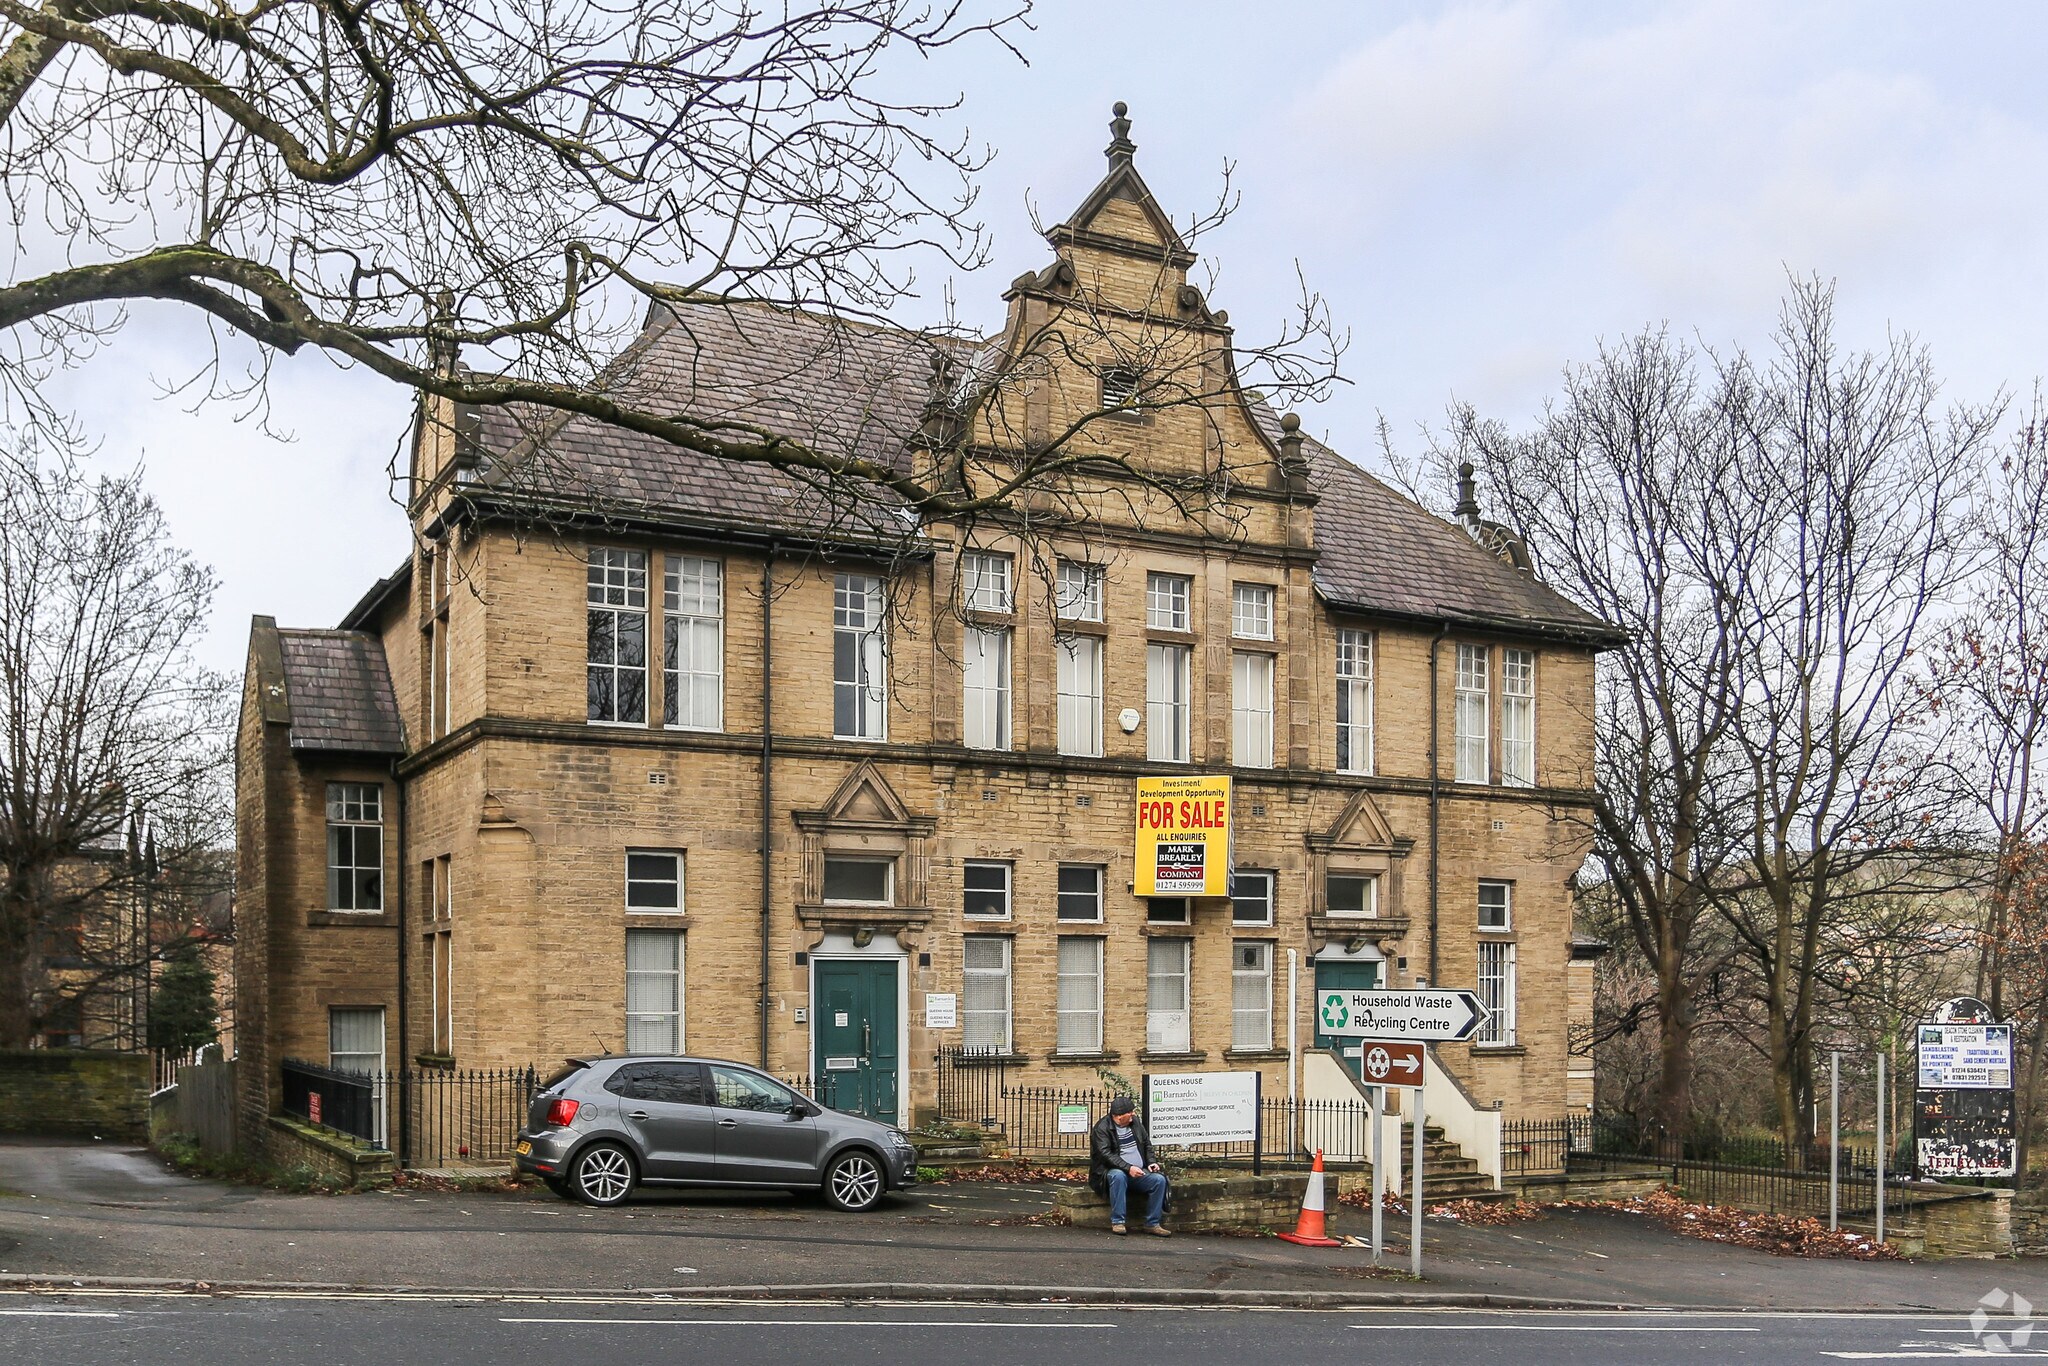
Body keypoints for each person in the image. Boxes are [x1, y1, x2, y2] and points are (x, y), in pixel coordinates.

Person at [1088, 1093, 1169, 1236]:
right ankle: (1118, 1222)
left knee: (1159, 1180)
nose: (1132, 1114)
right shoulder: (1102, 1128)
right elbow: (1106, 1155)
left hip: (1137, 1172)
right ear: (1119, 1116)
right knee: (1118, 1176)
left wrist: (1151, 1162)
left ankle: (1152, 1223)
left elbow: (1147, 1145)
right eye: (1129, 1112)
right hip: (1109, 1173)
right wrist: (1128, 1168)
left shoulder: (1135, 1123)